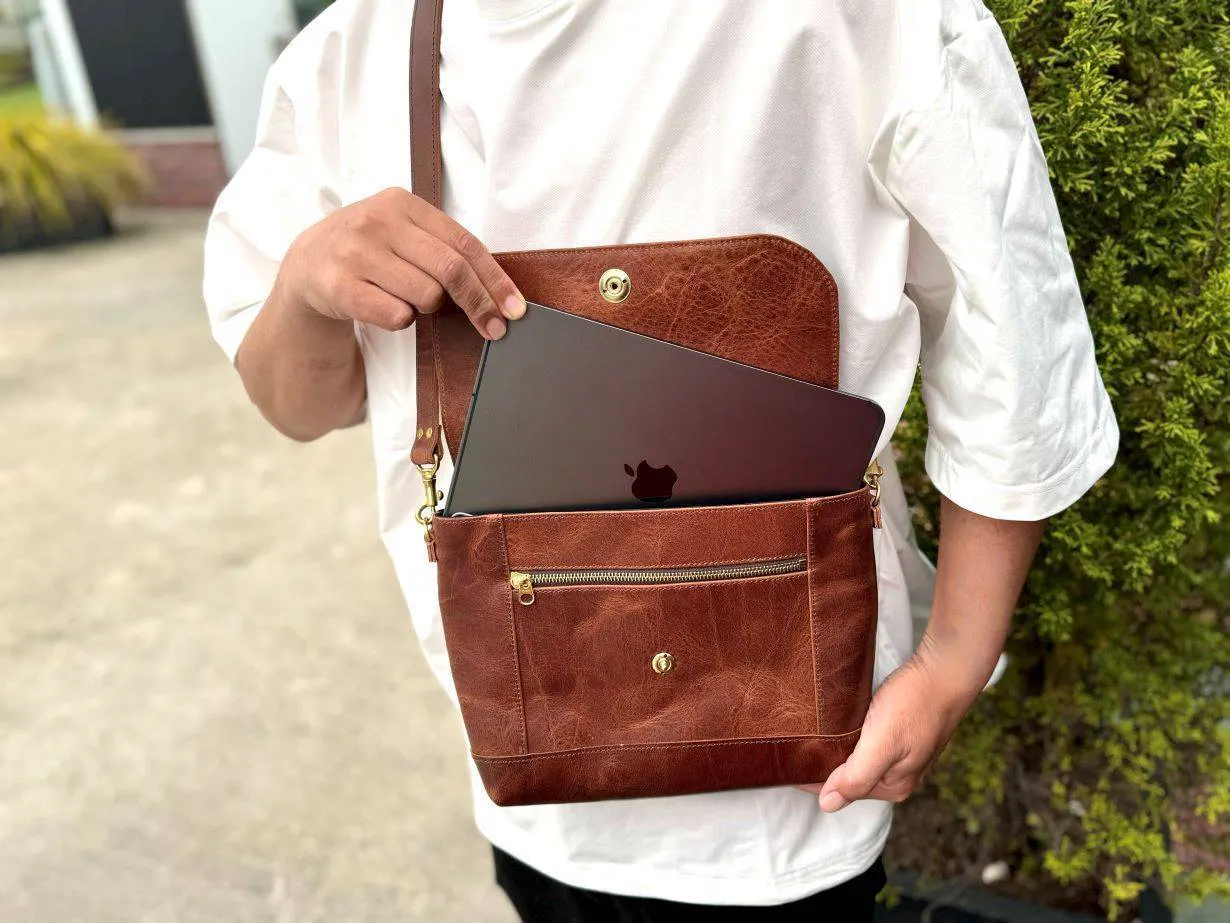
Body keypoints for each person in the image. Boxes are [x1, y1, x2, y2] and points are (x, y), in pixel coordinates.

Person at [203, 0, 1119, 919]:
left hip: (795, 805)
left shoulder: (862, 19)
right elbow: (302, 404)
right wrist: (308, 283)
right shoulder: (348, 55)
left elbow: (1016, 354)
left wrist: (954, 665)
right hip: (529, 775)